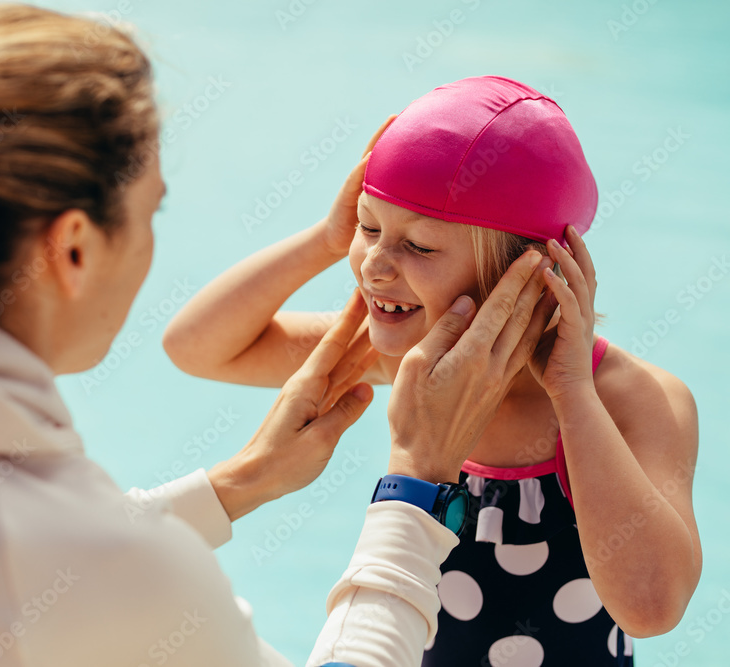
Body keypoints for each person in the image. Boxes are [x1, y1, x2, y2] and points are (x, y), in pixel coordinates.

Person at [0, 6, 566, 666]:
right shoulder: (104, 561)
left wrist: (238, 482)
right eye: (151, 209)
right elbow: (45, 559)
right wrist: (416, 482)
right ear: (75, 247)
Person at [164, 76, 702, 666]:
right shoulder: (407, 361)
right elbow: (196, 346)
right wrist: (324, 239)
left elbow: (652, 607)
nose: (373, 265)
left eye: (418, 247)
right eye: (368, 229)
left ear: (527, 269)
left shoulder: (631, 399)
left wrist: (572, 394)